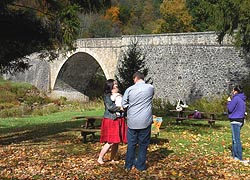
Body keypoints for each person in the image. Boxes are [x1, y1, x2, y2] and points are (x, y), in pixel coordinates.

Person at [122, 71, 154, 171]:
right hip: (145, 120)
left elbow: (124, 104)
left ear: (135, 78)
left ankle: (128, 165)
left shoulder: (129, 90)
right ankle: (140, 166)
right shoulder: (150, 88)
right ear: (142, 78)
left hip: (132, 121)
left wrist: (131, 106)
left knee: (131, 144)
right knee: (143, 145)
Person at [97, 79, 127, 164]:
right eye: (114, 84)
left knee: (116, 141)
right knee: (110, 141)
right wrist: (120, 108)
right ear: (110, 85)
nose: (116, 85)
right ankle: (100, 158)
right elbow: (110, 107)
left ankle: (112, 159)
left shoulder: (118, 94)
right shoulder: (107, 95)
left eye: (116, 83)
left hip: (119, 119)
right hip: (111, 120)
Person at [227, 85, 249, 164]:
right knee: (234, 139)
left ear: (236, 91)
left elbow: (230, 109)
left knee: (236, 140)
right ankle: (235, 156)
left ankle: (239, 157)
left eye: (233, 90)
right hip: (240, 120)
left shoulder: (236, 98)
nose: (232, 92)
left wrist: (229, 101)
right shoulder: (242, 99)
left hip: (235, 120)